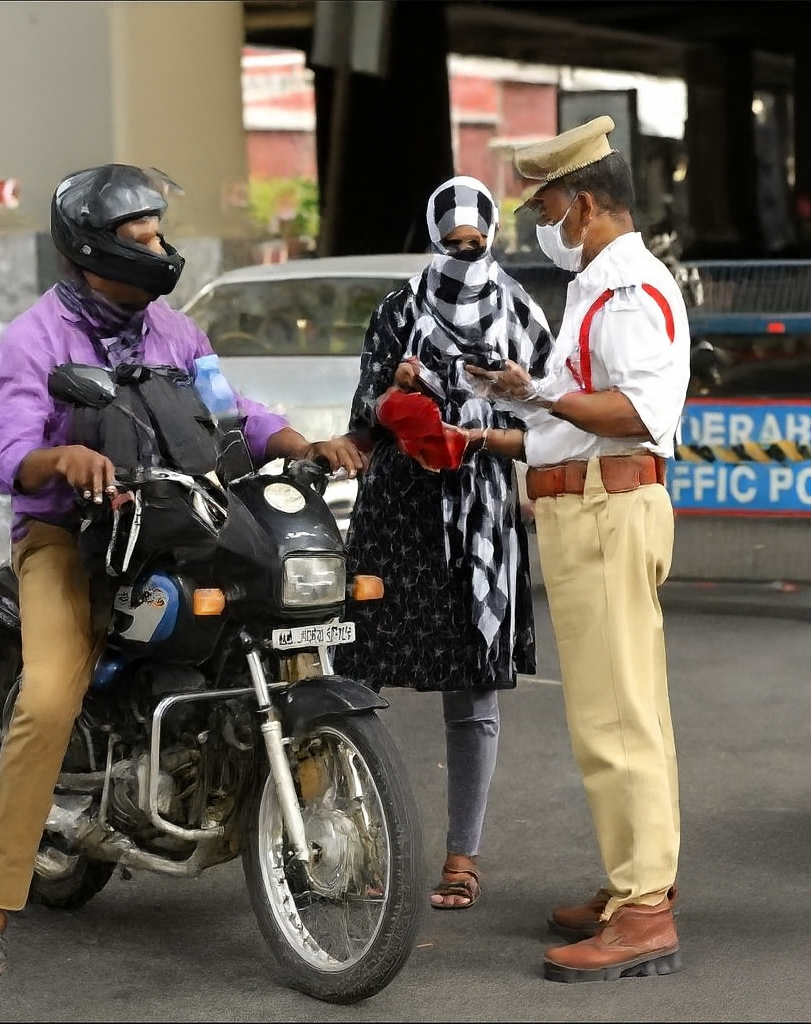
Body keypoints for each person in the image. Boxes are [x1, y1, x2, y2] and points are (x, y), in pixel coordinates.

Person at [0, 164, 367, 977]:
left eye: (161, 233)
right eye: (143, 238)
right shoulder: (37, 337)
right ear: (93, 250)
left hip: (176, 528)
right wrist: (67, 458)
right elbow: (12, 452)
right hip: (69, 542)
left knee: (273, 626)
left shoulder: (173, 333)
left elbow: (230, 414)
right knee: (51, 696)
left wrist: (301, 445)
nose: (161, 249)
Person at [472, 115, 690, 983]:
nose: (542, 224)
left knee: (616, 718)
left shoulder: (626, 286)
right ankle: (637, 886)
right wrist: (520, 402)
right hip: (591, 506)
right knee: (625, 712)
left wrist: (548, 401)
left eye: (548, 207)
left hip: (606, 512)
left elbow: (638, 413)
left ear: (588, 204)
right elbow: (579, 419)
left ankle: (642, 914)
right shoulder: (599, 286)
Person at [334, 175, 553, 911]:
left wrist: (514, 395)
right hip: (398, 513)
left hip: (480, 519)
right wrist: (390, 388)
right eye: (450, 244)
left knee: (474, 690)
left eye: (474, 243)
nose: (462, 254)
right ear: (431, 240)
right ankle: (360, 844)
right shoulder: (397, 309)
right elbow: (363, 415)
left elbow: (552, 427)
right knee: (360, 677)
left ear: (491, 238)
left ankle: (464, 856)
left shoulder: (522, 312)